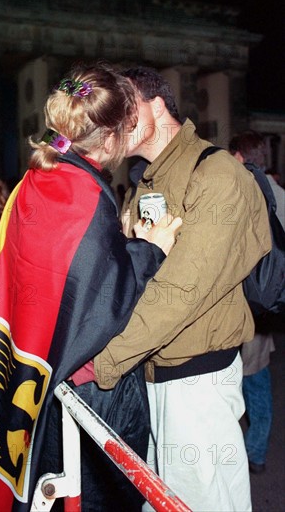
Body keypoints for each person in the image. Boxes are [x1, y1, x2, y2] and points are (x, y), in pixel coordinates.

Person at [0, 63, 182, 512]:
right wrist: (151, 251)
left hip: (32, 362)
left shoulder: (38, 177)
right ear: (108, 139)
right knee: (98, 494)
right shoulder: (81, 196)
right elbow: (103, 300)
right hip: (83, 385)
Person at [94, 66, 271, 512]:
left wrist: (101, 361)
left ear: (157, 105)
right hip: (154, 370)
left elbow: (181, 290)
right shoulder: (149, 180)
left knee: (203, 501)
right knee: (165, 500)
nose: (116, 121)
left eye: (126, 107)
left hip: (196, 378)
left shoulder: (217, 176)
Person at [229, 130, 280, 474]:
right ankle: (254, 452)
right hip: (266, 304)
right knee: (254, 383)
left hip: (245, 303)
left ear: (241, 157)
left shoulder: (243, 191)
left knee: (248, 385)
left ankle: (250, 453)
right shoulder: (277, 192)